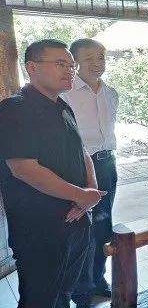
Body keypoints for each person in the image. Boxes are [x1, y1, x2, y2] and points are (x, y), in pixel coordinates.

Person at [0, 39, 106, 308]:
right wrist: (81, 195)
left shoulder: (63, 106)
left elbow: (83, 152)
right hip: (40, 227)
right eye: (61, 64)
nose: (70, 70)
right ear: (32, 67)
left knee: (63, 294)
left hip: (76, 219)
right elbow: (24, 169)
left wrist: (90, 193)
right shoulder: (15, 108)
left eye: (71, 65)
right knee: (40, 299)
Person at [62, 38, 118, 306]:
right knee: (81, 229)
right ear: (74, 63)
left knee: (103, 226)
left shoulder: (110, 93)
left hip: (107, 165)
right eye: (90, 59)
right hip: (78, 168)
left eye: (101, 57)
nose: (98, 63)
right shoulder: (65, 94)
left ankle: (98, 281)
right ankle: (80, 290)